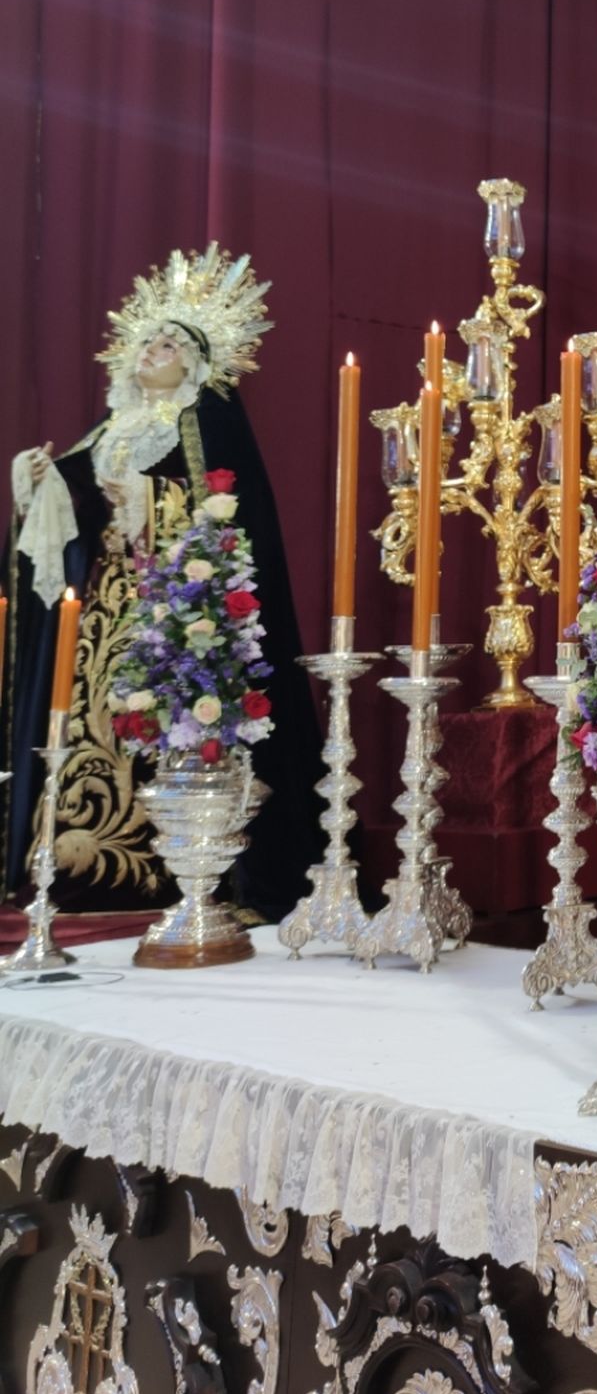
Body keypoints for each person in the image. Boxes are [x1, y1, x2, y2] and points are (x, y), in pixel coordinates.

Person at [3, 246, 324, 922]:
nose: (151, 350)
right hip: (101, 609)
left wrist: (150, 502)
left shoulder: (204, 421)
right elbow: (72, 518)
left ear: (197, 363)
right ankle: (74, 863)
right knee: (91, 719)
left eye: (169, 343)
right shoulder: (110, 429)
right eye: (146, 341)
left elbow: (224, 513)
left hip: (172, 609)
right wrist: (39, 486)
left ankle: (174, 866)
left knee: (166, 712)